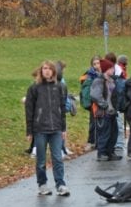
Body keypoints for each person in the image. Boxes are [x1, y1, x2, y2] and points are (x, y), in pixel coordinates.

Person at [24, 60, 70, 197]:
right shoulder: (34, 88)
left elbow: (62, 109)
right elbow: (29, 110)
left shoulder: (60, 87)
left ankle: (60, 184)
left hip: (56, 128)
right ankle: (42, 184)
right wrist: (29, 131)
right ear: (41, 71)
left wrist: (63, 128)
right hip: (40, 129)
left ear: (54, 71)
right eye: (44, 68)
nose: (47, 71)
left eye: (50, 69)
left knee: (57, 158)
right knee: (41, 159)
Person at [90, 59, 122, 161]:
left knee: (114, 133)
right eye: (111, 68)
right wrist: (105, 106)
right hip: (104, 112)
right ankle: (102, 153)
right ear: (106, 69)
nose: (113, 69)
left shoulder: (112, 80)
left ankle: (110, 152)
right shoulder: (99, 81)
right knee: (104, 133)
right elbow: (95, 95)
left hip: (112, 112)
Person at [80, 56, 102, 150]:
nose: (97, 65)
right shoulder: (89, 75)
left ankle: (99, 140)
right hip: (93, 102)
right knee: (93, 122)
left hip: (102, 101)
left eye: (98, 63)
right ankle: (91, 141)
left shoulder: (104, 73)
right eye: (95, 63)